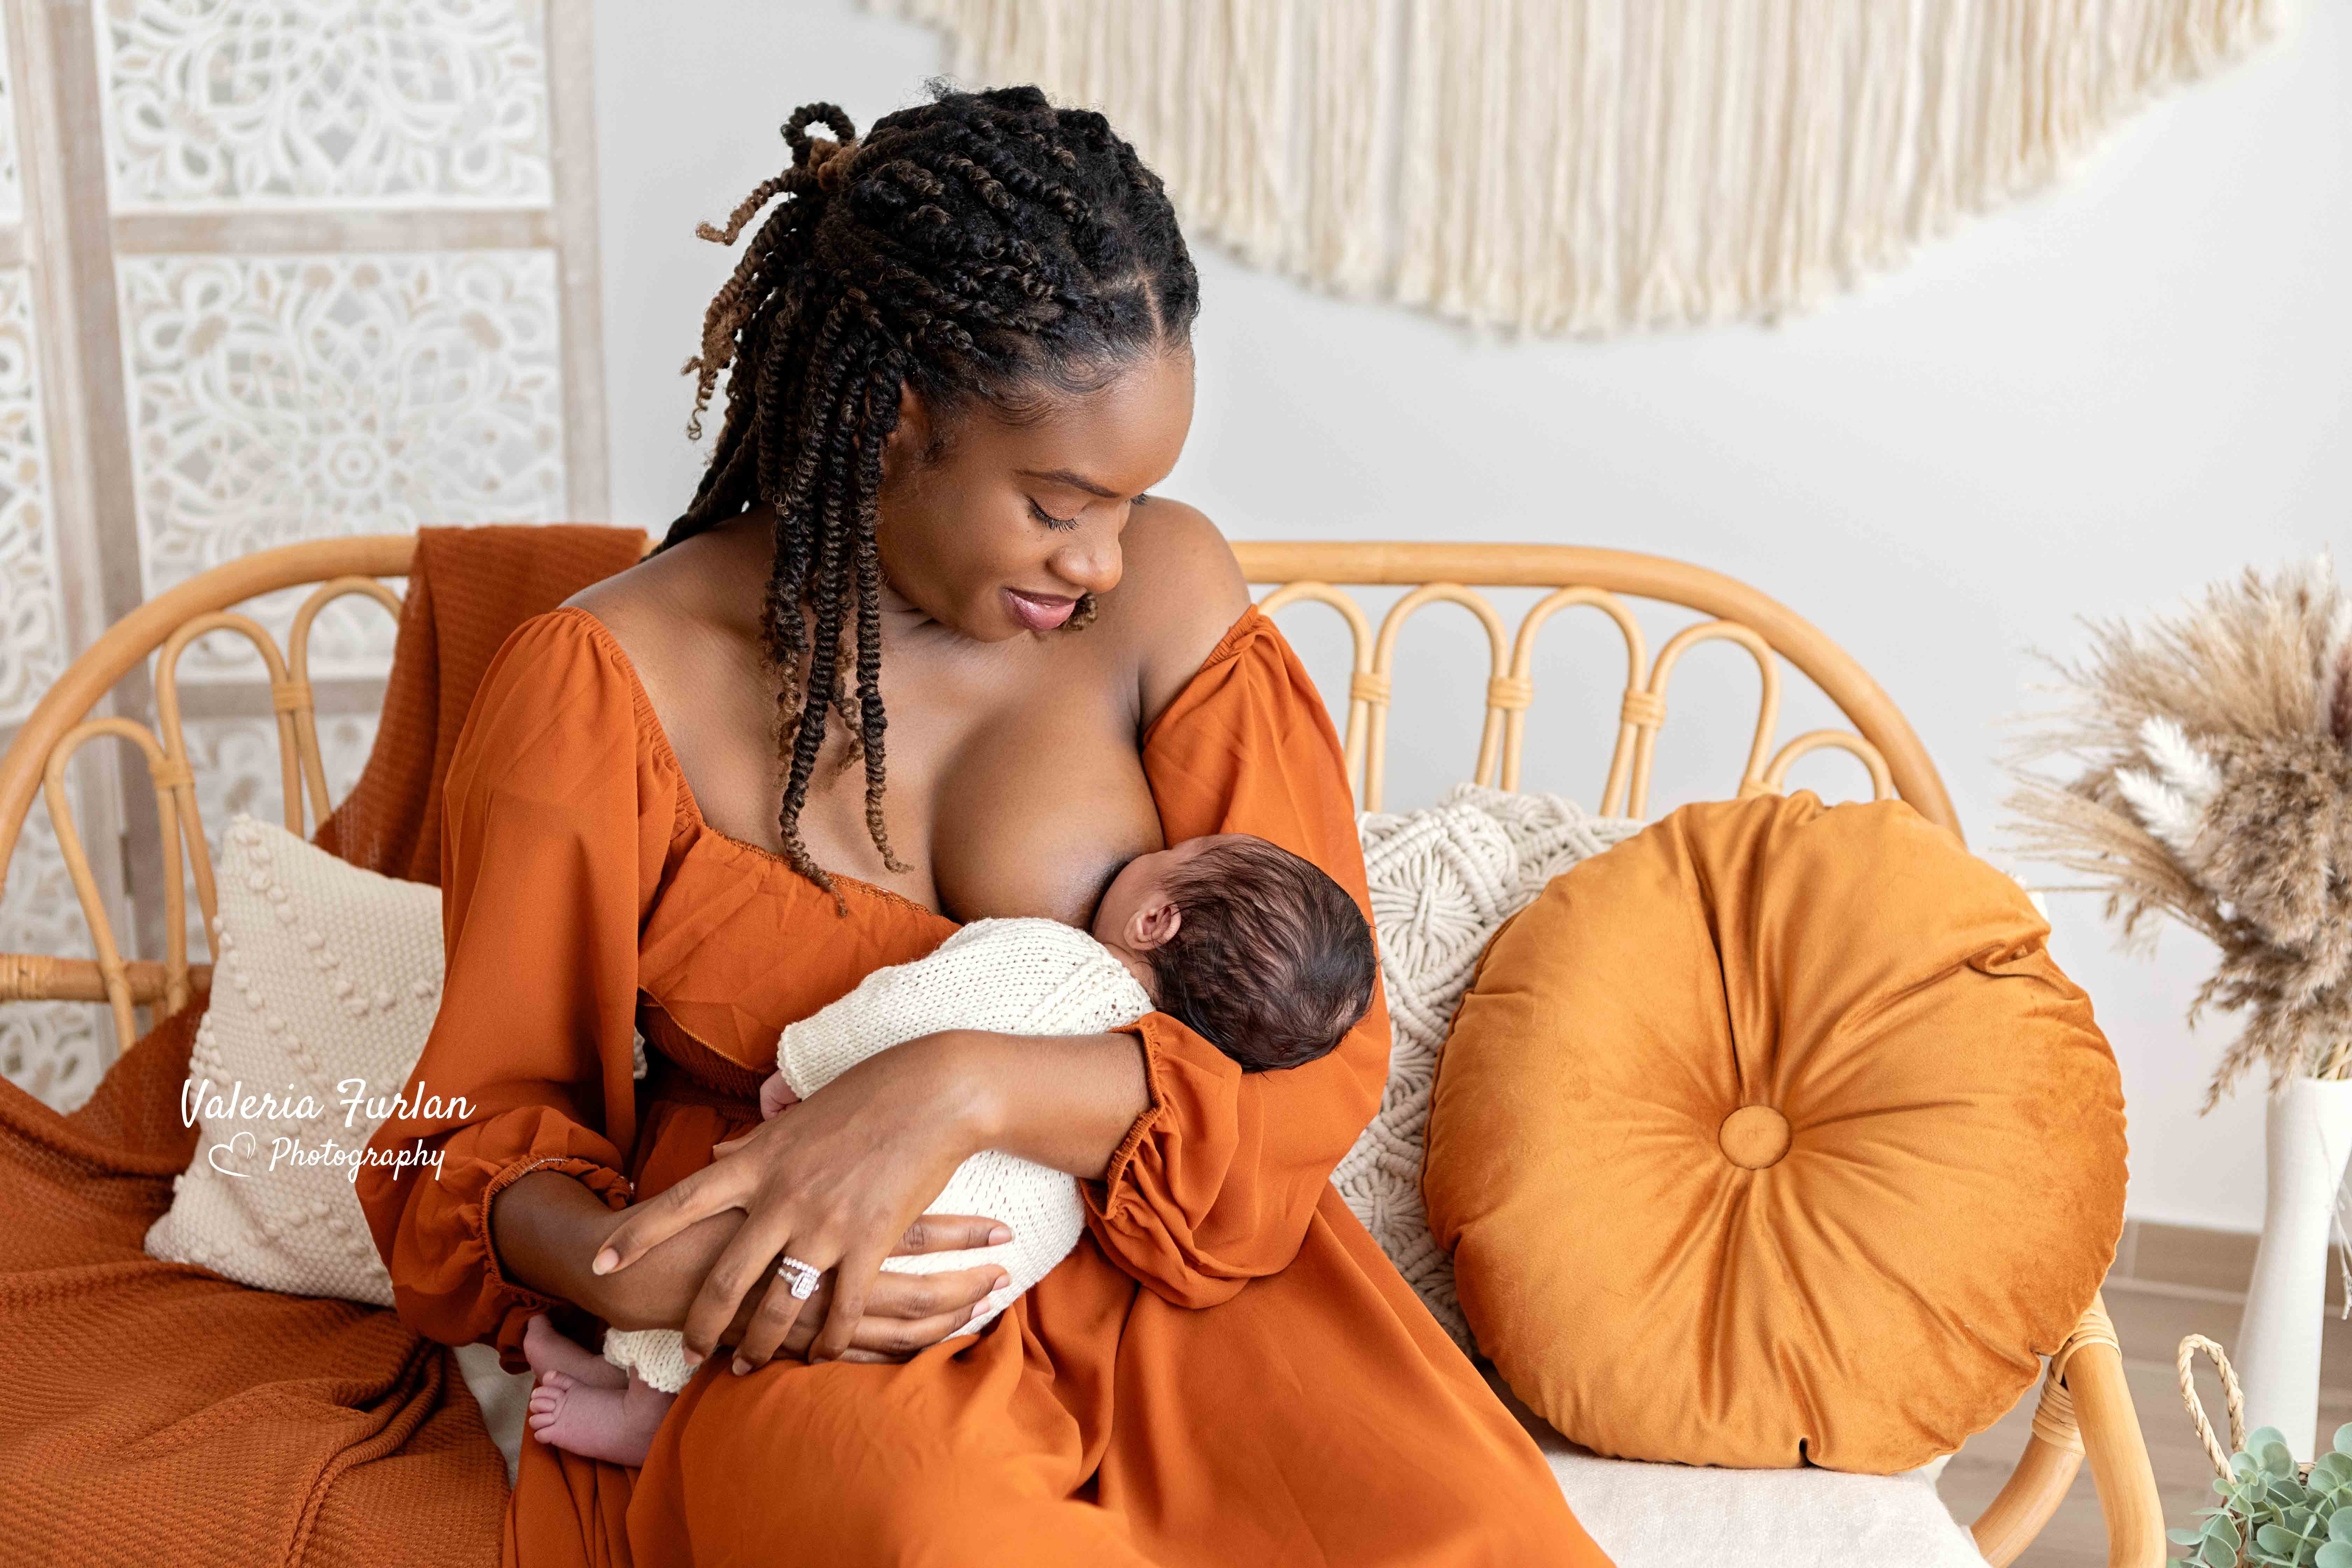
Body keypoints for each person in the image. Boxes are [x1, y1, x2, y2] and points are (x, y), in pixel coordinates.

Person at [356, 84, 1611, 1567]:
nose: (1100, 559)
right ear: (897, 425)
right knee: (935, 1534)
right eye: (1058, 502)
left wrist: (956, 1086)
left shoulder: (1170, 599)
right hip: (840, 1311)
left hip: (1186, 1274)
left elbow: (1320, 1054)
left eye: (1133, 502)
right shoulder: (605, 684)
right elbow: (473, 1146)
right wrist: (639, 1275)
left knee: (1455, 1538)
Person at [522, 832, 1381, 1464]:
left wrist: (801, 1063)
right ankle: (634, 1391)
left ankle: (639, 1412)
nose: (1161, 840)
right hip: (947, 1302)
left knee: (723, 1243)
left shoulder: (1057, 958)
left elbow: (905, 1008)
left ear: (1156, 918)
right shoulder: (1133, 1086)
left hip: (866, 1208)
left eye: (1183, 847)